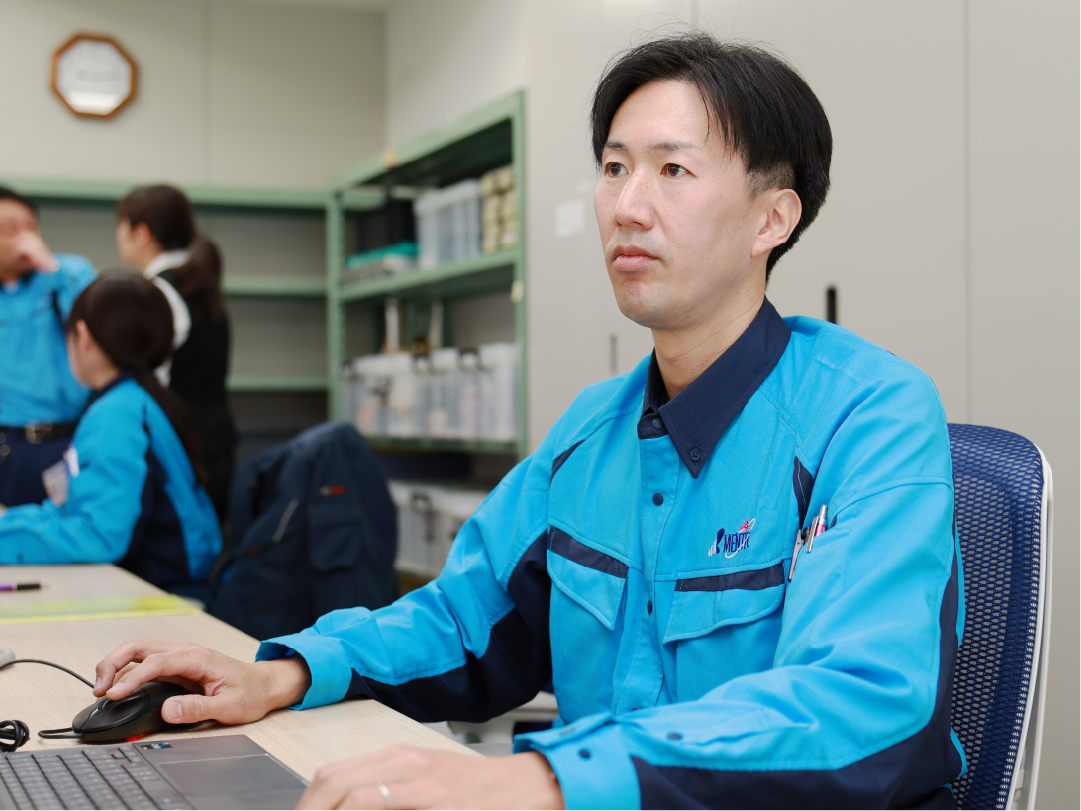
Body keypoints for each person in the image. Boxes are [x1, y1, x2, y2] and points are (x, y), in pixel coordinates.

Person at [93, 35, 964, 811]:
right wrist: (281, 671)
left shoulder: (868, 412)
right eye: (614, 167)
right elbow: (464, 619)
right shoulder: (593, 429)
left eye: (672, 169)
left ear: (773, 218)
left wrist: (542, 779)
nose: (626, 205)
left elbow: (861, 704)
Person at [0, 274, 222, 589]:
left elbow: (100, 535)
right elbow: (74, 508)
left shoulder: (115, 415)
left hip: (161, 592)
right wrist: (11, 524)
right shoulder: (136, 397)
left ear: (83, 336)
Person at [115, 185, 238, 521]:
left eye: (121, 225)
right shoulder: (198, 282)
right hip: (215, 442)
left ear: (141, 233)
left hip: (182, 450)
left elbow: (150, 382)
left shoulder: (157, 292)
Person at [0, 187, 96, 507]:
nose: (24, 238)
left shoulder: (70, 273)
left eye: (30, 226)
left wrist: (51, 269)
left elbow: (99, 328)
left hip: (61, 441)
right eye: (9, 230)